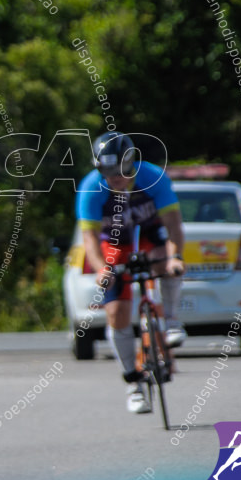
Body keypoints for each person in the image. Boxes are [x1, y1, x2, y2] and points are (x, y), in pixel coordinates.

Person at [76, 133, 186, 414]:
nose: (113, 178)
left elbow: (173, 224)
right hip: (113, 243)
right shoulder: (91, 187)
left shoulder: (154, 177)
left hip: (148, 233)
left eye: (119, 171)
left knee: (166, 261)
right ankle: (132, 382)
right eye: (106, 172)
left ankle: (171, 321)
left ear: (132, 164)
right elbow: (88, 238)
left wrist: (175, 258)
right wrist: (102, 269)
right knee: (116, 313)